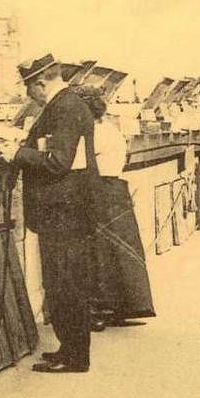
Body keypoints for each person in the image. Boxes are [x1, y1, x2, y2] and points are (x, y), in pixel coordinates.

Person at [0, 54, 99, 374]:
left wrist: (16, 153)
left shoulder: (64, 108)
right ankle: (69, 349)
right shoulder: (66, 104)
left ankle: (75, 356)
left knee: (66, 283)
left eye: (29, 88)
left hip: (63, 210)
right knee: (63, 282)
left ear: (40, 84)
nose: (28, 95)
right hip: (66, 210)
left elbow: (58, 162)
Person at [75, 87, 156, 326]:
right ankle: (127, 304)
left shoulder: (93, 133)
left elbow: (76, 162)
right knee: (121, 250)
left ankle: (100, 309)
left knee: (98, 249)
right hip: (116, 189)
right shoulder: (112, 129)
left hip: (100, 190)